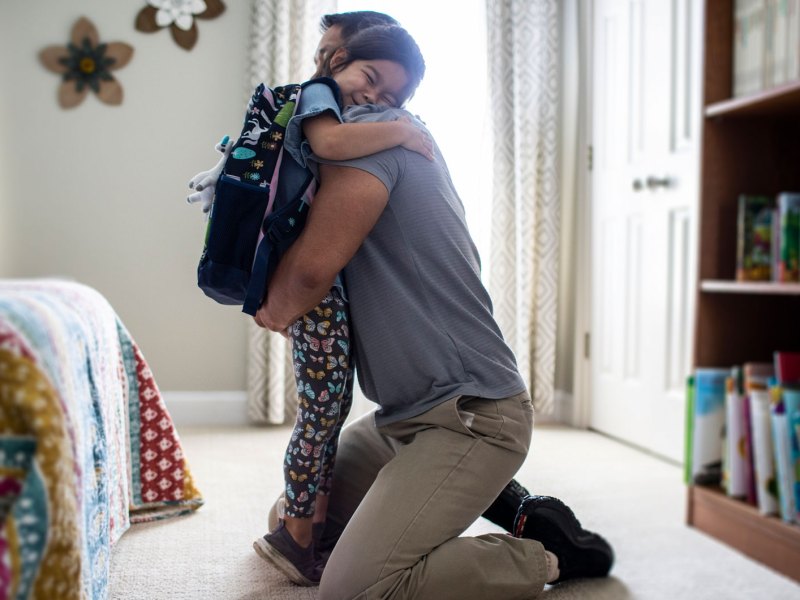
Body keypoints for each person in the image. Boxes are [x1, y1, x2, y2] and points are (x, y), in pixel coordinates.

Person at [254, 79, 614, 599]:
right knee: (295, 521)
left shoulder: (378, 137)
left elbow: (304, 282)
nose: (373, 97)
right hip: (400, 419)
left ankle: (549, 554)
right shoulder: (334, 152)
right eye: (366, 78)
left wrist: (268, 305)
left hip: (472, 417)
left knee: (353, 590)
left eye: (388, 88)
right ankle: (496, 501)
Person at [249, 24, 433, 588]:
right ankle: (297, 533)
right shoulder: (317, 95)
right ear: (342, 59)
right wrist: (400, 131)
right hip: (316, 287)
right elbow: (328, 146)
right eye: (369, 79)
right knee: (322, 412)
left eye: (389, 100)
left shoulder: (331, 98)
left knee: (327, 407)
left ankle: (310, 523)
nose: (372, 100)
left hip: (327, 287)